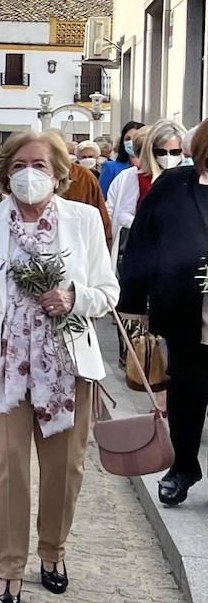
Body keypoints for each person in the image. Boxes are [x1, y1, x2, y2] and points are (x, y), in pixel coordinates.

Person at [0, 130, 118, 603]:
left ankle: (53, 550)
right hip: (4, 367)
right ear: (5, 173)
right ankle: (8, 569)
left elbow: (108, 291)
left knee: (65, 468)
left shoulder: (83, 220)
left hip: (68, 364)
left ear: (59, 174)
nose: (29, 174)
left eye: (40, 165)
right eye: (19, 165)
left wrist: (73, 297)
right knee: (8, 468)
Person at [118, 117, 208, 506]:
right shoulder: (174, 185)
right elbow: (142, 241)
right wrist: (134, 301)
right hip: (187, 308)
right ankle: (183, 465)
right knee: (187, 391)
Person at [109, 120, 187, 248]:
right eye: (161, 152)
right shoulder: (136, 176)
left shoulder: (191, 176)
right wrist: (148, 226)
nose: (168, 157)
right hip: (146, 246)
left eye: (175, 152)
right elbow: (122, 215)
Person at [100, 119, 143, 195]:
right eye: (127, 139)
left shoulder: (155, 168)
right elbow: (102, 196)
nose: (131, 142)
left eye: (135, 138)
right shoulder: (111, 167)